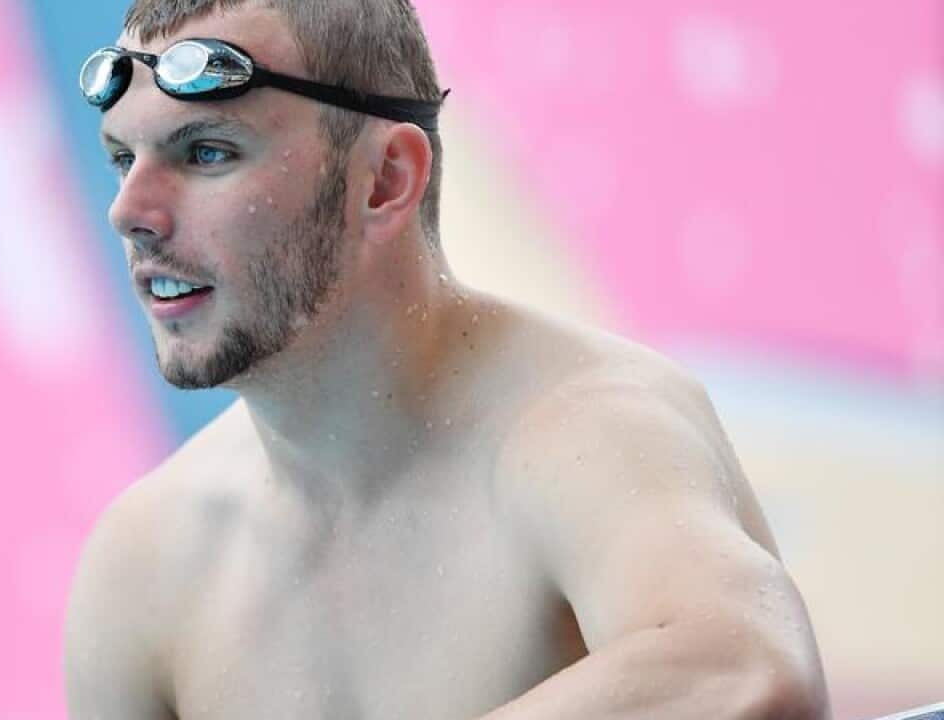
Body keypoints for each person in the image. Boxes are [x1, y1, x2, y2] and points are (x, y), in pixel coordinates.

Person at [64, 1, 830, 718]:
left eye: (206, 152)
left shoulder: (581, 430)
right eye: (122, 158)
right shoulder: (146, 565)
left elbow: (744, 666)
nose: (130, 212)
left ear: (386, 180)